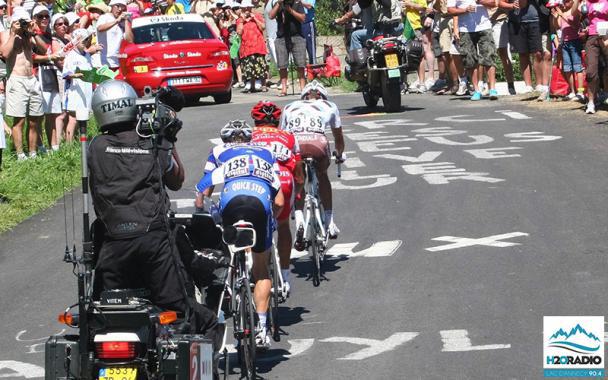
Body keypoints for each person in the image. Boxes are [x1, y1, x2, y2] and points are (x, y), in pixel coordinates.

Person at [88, 80, 221, 360]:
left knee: (109, 314)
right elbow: (176, 180)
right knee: (188, 315)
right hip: (154, 244)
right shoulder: (152, 143)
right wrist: (167, 139)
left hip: (112, 249)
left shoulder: (95, 147)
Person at [195, 120, 285, 349]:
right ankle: (262, 329)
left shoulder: (220, 152)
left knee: (219, 230)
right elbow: (280, 201)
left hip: (231, 202)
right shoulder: (265, 153)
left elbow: (203, 190)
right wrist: (272, 220)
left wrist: (201, 210)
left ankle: (227, 280)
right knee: (261, 269)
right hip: (259, 204)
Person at [280, 80, 344, 247]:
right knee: (322, 175)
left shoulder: (289, 107)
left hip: (296, 145)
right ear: (323, 96)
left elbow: (283, 137)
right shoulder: (329, 105)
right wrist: (339, 154)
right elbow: (338, 138)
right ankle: (330, 221)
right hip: (318, 143)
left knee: (298, 180)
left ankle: (300, 220)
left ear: (303, 96)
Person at [250, 101, 302, 296]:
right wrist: (299, 192)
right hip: (284, 180)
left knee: (251, 224)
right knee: (282, 226)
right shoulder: (288, 136)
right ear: (278, 120)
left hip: (257, 182)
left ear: (255, 121)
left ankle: (251, 264)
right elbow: (298, 170)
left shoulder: (248, 137)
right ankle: (286, 276)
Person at [0, 7, 46, 160]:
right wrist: (13, 33)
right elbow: (5, 54)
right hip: (16, 79)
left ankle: (32, 152)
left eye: (25, 21)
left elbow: (43, 50)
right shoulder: (6, 34)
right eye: (20, 21)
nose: (23, 24)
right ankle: (20, 154)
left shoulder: (29, 35)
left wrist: (34, 31)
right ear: (13, 22)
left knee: (34, 119)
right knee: (19, 120)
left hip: (31, 80)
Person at [448, 0, 499, 100]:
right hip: (465, 29)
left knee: (489, 56)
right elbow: (450, 10)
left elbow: (493, 3)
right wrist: (465, 10)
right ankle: (476, 90)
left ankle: (492, 89)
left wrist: (481, 1)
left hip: (484, 27)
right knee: (469, 60)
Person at [33, 4, 64, 153]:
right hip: (39, 75)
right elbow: (39, 53)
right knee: (40, 116)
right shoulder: (32, 34)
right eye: (40, 16)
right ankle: (39, 146)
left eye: (46, 16)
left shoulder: (49, 35)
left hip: (51, 75)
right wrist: (50, 55)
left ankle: (54, 145)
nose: (44, 19)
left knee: (53, 114)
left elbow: (54, 55)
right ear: (34, 19)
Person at [268, 0, 307, 96]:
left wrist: (290, 11)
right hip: (282, 37)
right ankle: (284, 88)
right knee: (282, 65)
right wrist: (278, 4)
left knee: (300, 64)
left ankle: (303, 88)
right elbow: (271, 16)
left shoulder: (297, 3)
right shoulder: (279, 4)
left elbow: (302, 18)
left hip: (297, 36)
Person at [551, 0, 585, 101]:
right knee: (567, 68)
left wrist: (562, 15)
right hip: (565, 43)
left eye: (567, 1)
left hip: (574, 42)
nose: (565, 3)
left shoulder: (575, 12)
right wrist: (555, 17)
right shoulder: (563, 13)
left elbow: (575, 26)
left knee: (577, 67)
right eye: (564, 1)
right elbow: (557, 26)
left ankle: (580, 91)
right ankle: (572, 91)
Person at [581, 0, 608, 114]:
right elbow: (578, 17)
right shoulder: (586, 2)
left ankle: (605, 93)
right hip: (592, 37)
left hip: (606, 34)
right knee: (591, 71)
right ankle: (591, 101)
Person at [237, 0, 268, 93]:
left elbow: (263, 27)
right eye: (245, 8)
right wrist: (242, 21)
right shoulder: (239, 20)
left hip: (258, 46)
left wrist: (254, 18)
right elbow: (239, 32)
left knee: (261, 67)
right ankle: (252, 86)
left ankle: (264, 85)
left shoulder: (257, 15)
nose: (247, 10)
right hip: (247, 48)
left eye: (248, 8)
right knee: (249, 69)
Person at [97, 0, 134, 70]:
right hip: (106, 61)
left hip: (120, 60)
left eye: (122, 7)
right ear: (112, 6)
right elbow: (100, 28)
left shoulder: (123, 21)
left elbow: (130, 40)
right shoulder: (104, 17)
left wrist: (126, 21)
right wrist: (117, 21)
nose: (120, 9)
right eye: (117, 6)